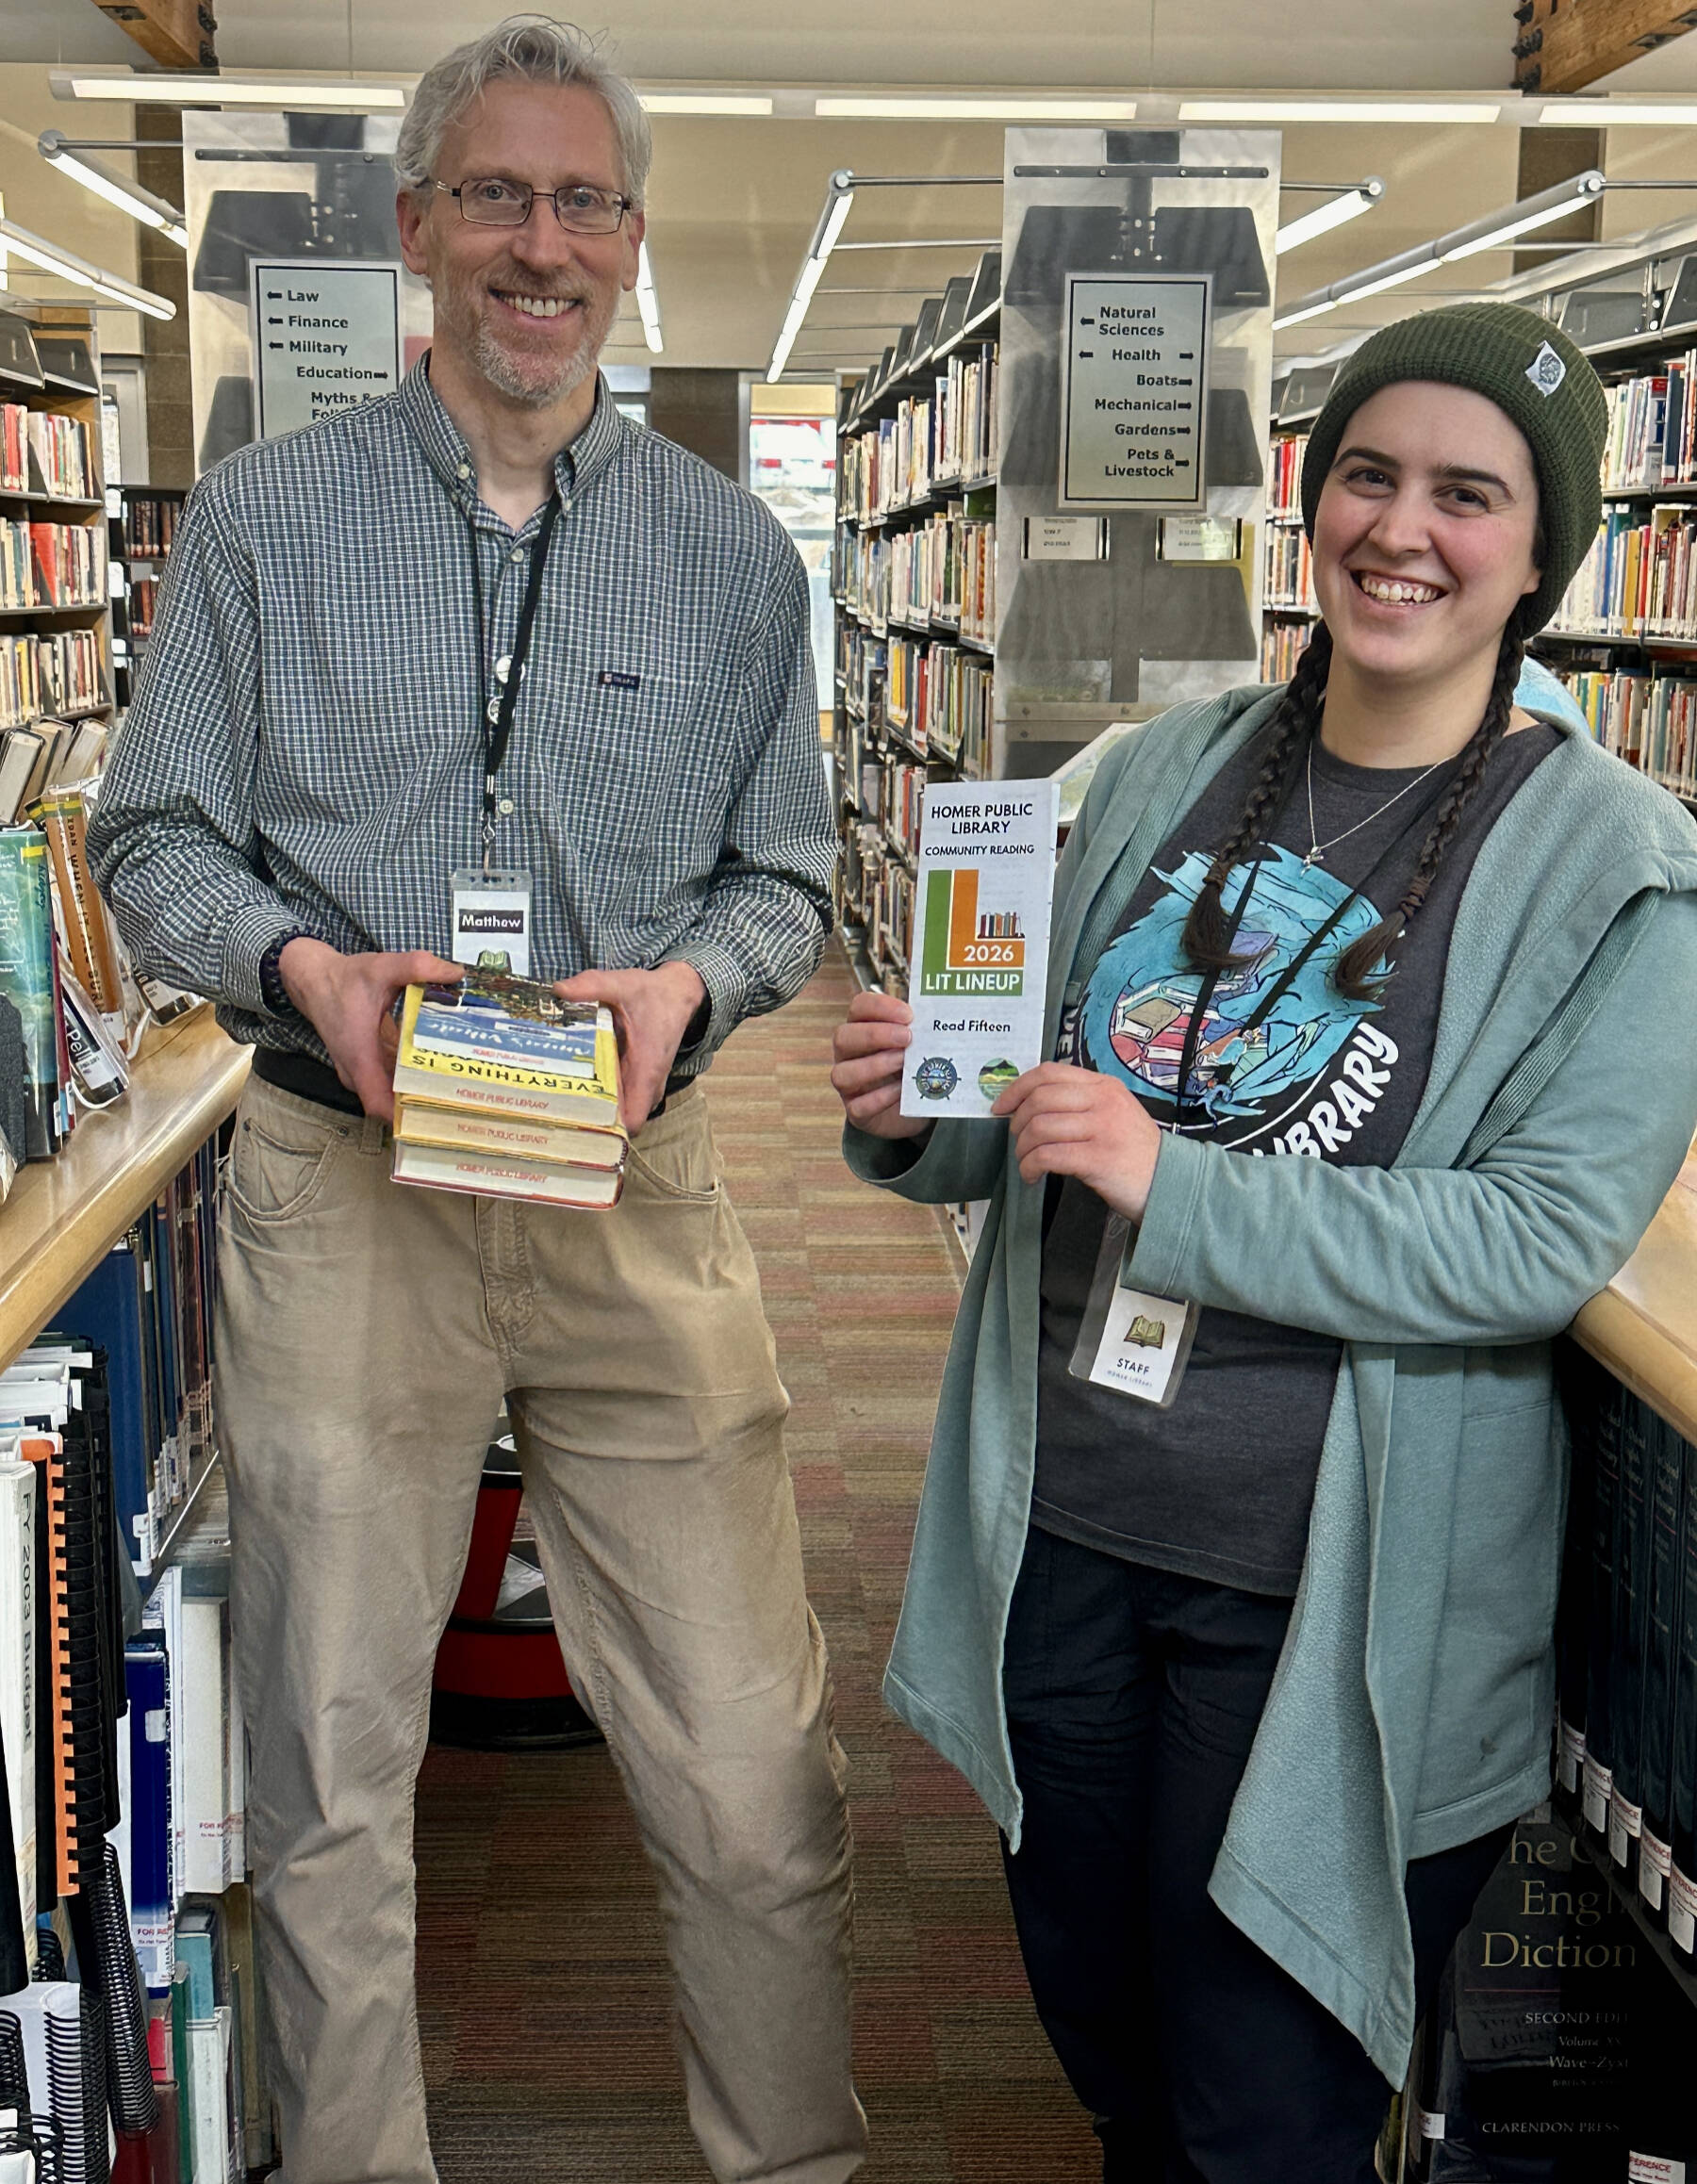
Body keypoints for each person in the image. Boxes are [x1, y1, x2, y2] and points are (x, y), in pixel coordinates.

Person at [89, 19, 865, 2184]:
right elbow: (154, 838)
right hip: (349, 1185)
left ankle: (790, 2160)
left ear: (629, 242)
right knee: (330, 1756)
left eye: (585, 201)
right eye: (497, 198)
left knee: (746, 1751)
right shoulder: (258, 523)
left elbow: (791, 876)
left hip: (642, 1175)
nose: (544, 245)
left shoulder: (734, 563)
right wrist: (310, 971)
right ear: (418, 227)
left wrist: (682, 988)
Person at [831, 302, 1697, 2183]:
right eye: (1370, 474)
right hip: (1061, 1524)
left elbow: (1535, 1241)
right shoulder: (1157, 768)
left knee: (1265, 2099)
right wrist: (926, 1108)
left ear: (1541, 552)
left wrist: (1182, 1187)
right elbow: (1037, 1124)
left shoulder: (1623, 864)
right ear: (1311, 498)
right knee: (1100, 2021)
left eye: (1470, 494)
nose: (1405, 528)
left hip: (1320, 1585)